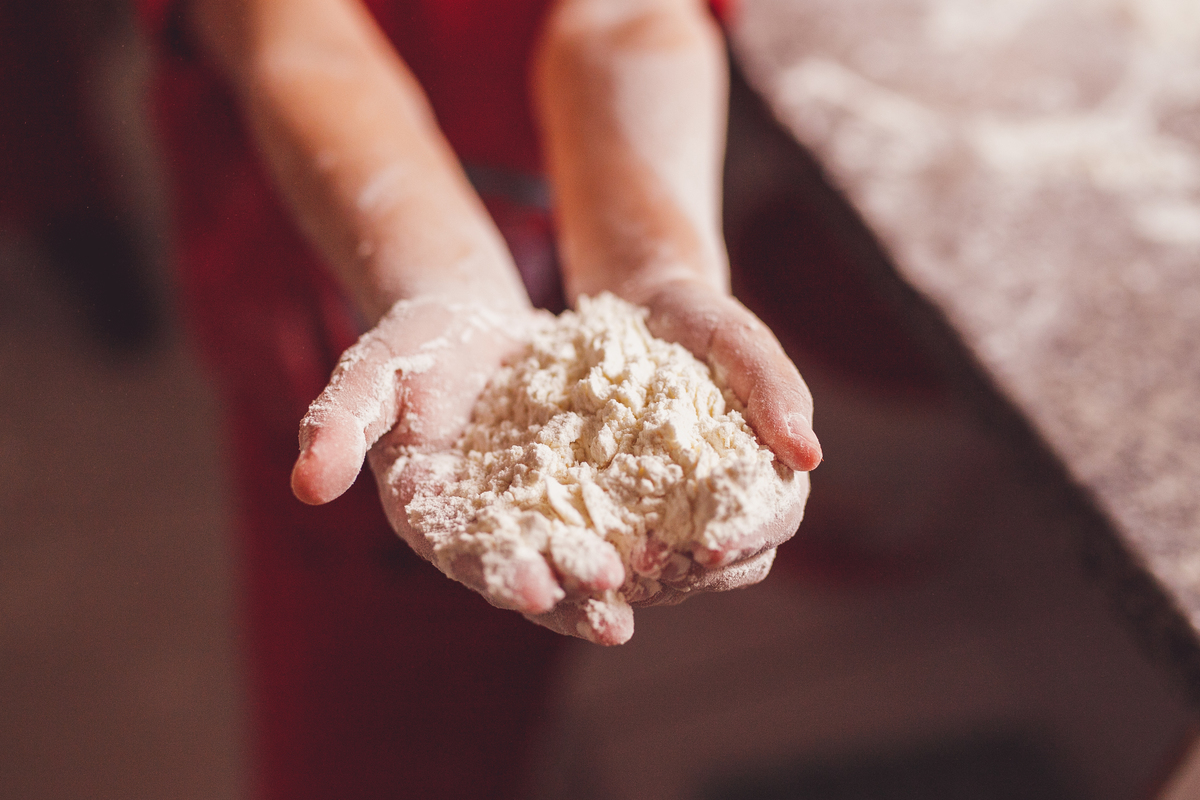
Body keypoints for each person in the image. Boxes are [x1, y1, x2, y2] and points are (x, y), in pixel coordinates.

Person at [140, 0, 821, 795]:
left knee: (546, 604)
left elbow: (628, 17)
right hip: (333, 304)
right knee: (353, 717)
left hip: (564, 241)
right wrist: (436, 284)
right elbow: (294, 36)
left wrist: (657, 267)